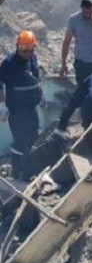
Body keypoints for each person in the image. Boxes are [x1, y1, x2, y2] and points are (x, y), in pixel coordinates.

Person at [0, 31, 43, 179]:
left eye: (30, 50)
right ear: (17, 46)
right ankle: (17, 171)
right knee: (20, 141)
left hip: (31, 108)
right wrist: (2, 105)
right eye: (23, 50)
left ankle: (29, 171)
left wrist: (41, 95)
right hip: (17, 110)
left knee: (34, 137)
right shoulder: (9, 63)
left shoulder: (33, 59)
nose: (27, 53)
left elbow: (37, 78)